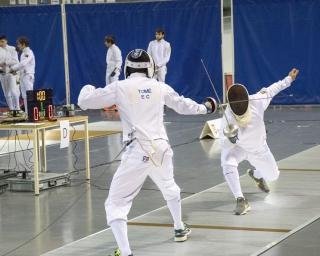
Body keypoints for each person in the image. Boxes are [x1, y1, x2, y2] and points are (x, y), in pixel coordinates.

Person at [78, 49, 217, 256]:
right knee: (169, 186)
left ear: (128, 68)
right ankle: (179, 227)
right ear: (150, 68)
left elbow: (84, 101)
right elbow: (183, 105)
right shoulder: (159, 87)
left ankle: (125, 252)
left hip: (138, 151)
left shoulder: (120, 87)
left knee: (115, 204)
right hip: (161, 148)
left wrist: (88, 87)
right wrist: (206, 107)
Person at [219, 68, 299, 215]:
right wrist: (230, 139)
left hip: (259, 149)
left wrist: (289, 79)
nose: (239, 106)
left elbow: (272, 89)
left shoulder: (257, 101)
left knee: (273, 176)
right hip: (240, 148)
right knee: (227, 160)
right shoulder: (228, 116)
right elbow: (221, 144)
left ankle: (257, 175)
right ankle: (240, 199)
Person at [10, 36, 35, 116]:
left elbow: (23, 63)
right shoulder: (23, 53)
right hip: (23, 76)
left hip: (28, 76)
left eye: (19, 44)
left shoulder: (28, 53)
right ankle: (28, 113)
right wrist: (16, 72)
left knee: (29, 94)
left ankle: (32, 113)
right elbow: (22, 67)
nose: (18, 46)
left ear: (23, 44)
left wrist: (13, 68)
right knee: (24, 95)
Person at [0, 35, 21, 115]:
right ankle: (12, 110)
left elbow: (15, 61)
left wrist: (5, 63)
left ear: (6, 41)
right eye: (0, 42)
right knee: (6, 93)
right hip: (2, 74)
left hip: (12, 73)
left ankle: (18, 109)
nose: (1, 43)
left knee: (14, 91)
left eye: (2, 41)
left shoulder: (12, 49)